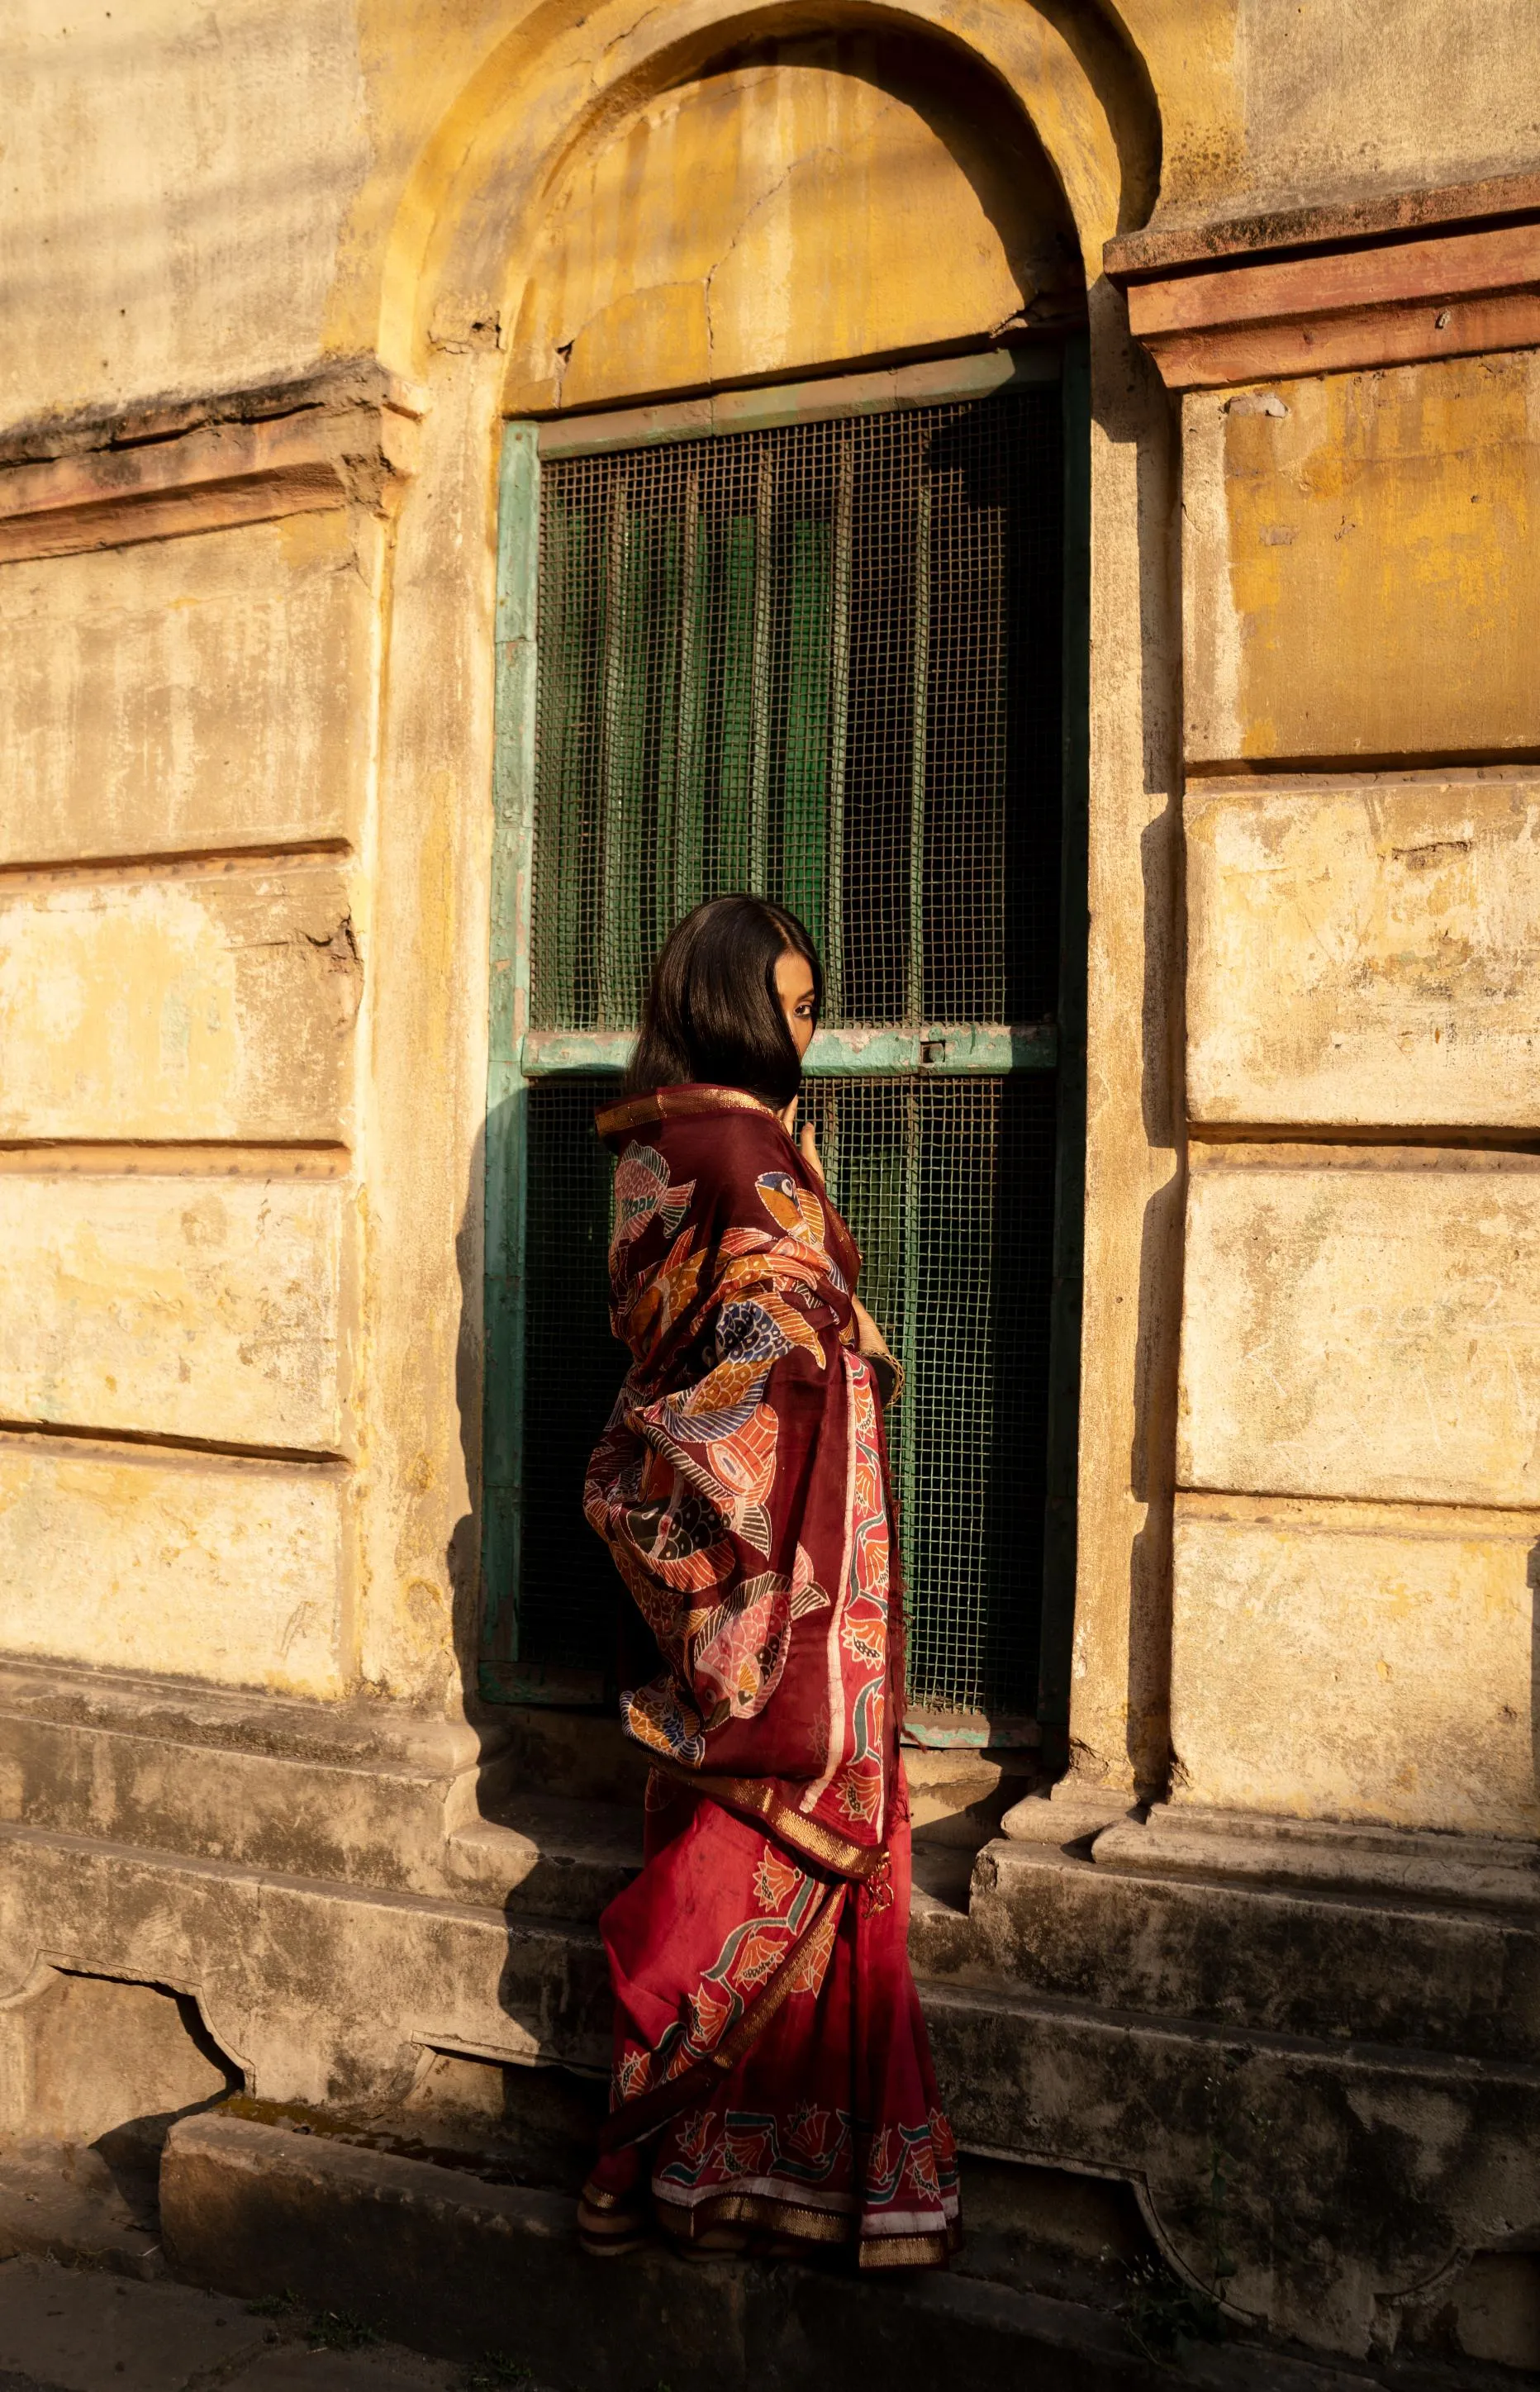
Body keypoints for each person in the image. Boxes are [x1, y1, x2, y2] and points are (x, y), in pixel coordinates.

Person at [578, 893, 960, 2268]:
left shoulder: (649, 1146)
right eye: (796, 1006)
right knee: (761, 1839)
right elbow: (779, 1333)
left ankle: (668, 2167)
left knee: (702, 1846)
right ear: (744, 1009)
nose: (811, 1030)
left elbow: (671, 1342)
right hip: (787, 1570)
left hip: (713, 1564)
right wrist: (842, 1333)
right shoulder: (749, 1146)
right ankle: (686, 2163)